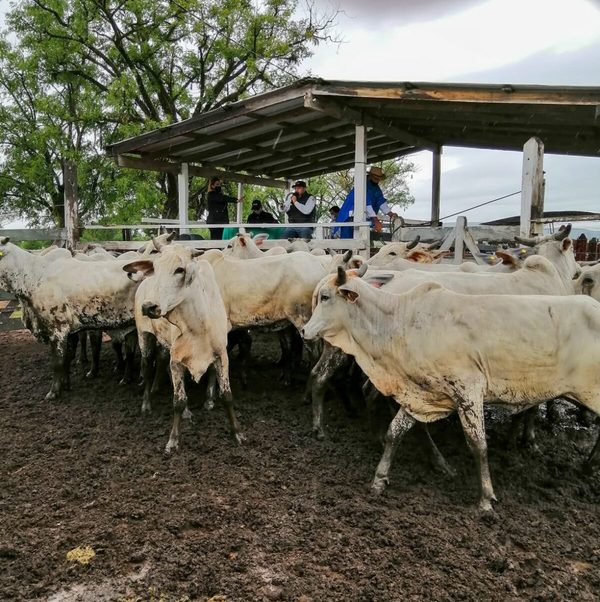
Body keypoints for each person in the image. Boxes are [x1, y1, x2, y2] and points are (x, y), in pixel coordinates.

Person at [334, 166, 399, 239]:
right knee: (347, 243)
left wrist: (390, 214)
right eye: (375, 178)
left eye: (378, 179)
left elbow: (381, 201)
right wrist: (376, 220)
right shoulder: (362, 185)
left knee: (360, 240)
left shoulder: (376, 189)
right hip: (348, 217)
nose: (377, 181)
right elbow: (366, 204)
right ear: (370, 176)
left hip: (360, 219)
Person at [206, 176, 241, 240]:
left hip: (220, 221)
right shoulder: (212, 195)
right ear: (212, 186)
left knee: (220, 239)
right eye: (217, 184)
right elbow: (223, 198)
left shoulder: (218, 195)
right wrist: (235, 200)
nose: (219, 186)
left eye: (219, 184)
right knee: (216, 240)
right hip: (215, 221)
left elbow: (223, 198)